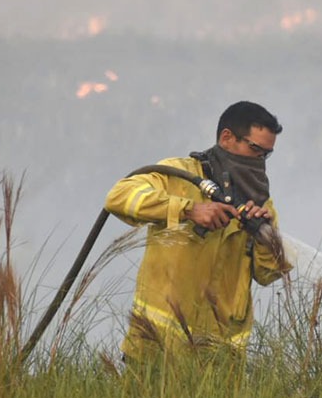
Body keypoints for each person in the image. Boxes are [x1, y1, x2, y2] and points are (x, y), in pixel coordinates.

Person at [105, 101, 292, 361]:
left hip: (220, 358)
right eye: (255, 149)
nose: (259, 160)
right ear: (226, 137)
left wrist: (264, 238)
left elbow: (269, 273)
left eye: (266, 154)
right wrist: (189, 210)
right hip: (157, 348)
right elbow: (118, 196)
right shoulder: (179, 175)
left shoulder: (260, 203)